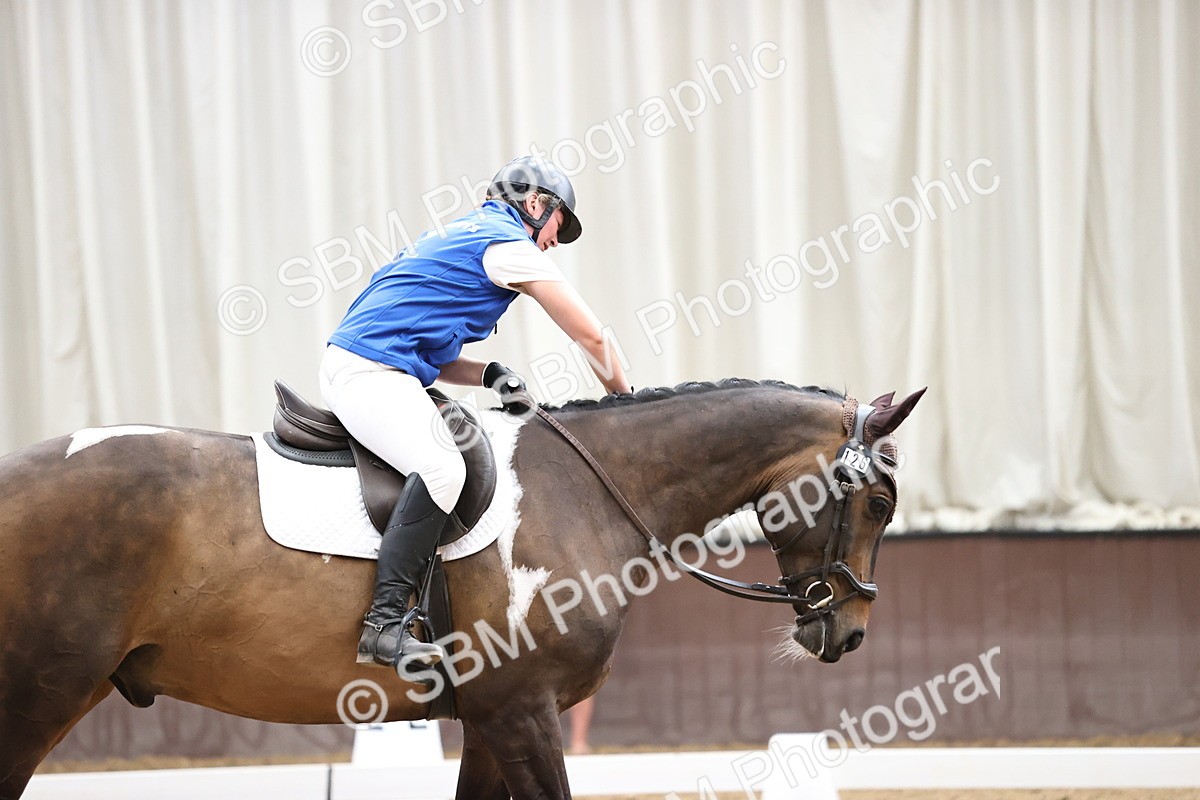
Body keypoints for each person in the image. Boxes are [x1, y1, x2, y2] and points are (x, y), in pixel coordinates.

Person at [319, 156, 633, 672]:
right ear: (535, 204)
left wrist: (488, 374)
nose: (555, 241)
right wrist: (625, 401)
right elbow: (592, 335)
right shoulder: (508, 244)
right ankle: (384, 625)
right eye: (559, 225)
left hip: (368, 362)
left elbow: (428, 349)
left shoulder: (462, 234)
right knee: (444, 468)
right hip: (369, 372)